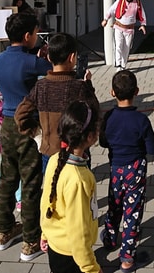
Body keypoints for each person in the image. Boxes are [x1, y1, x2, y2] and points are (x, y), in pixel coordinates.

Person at [0, 12, 52, 261]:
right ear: (28, 36)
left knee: (7, 178)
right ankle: (30, 240)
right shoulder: (31, 62)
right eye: (36, 33)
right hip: (28, 125)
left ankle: (4, 231)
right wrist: (43, 55)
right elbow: (52, 67)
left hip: (6, 124)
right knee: (29, 182)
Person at [99, 70, 154, 273]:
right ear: (137, 92)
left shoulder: (109, 117)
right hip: (136, 170)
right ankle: (127, 258)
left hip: (116, 167)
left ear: (112, 92)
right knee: (132, 213)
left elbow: (103, 142)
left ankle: (109, 238)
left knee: (114, 204)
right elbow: (152, 149)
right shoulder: (141, 121)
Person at [14, 32, 99, 173]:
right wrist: (88, 85)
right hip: (76, 153)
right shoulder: (80, 88)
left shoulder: (40, 87)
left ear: (48, 57)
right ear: (72, 58)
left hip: (49, 153)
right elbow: (95, 112)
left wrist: (38, 135)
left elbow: (20, 115)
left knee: (52, 191)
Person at [40, 101, 103, 273]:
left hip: (55, 244)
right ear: (90, 137)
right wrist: (91, 269)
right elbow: (79, 232)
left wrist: (45, 233)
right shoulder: (79, 180)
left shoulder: (55, 159)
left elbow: (46, 200)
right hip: (71, 255)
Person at [101, 0, 147, 71]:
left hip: (129, 30)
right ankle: (118, 65)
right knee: (118, 46)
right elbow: (111, 10)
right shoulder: (120, 0)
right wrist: (105, 19)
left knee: (126, 48)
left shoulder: (137, 3)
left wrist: (143, 25)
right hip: (118, 27)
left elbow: (142, 14)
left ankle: (123, 65)